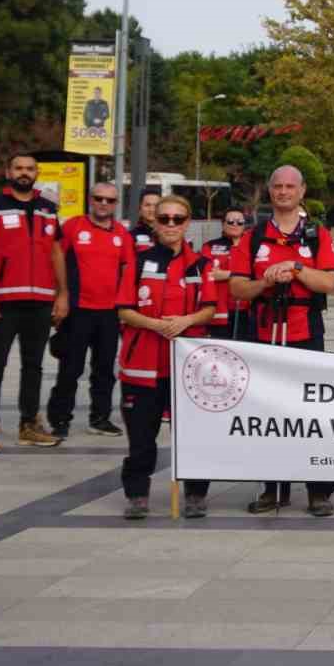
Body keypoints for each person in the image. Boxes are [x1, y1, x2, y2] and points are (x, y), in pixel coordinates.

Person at [229, 165, 334, 516]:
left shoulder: (316, 234)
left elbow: (328, 283)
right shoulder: (254, 236)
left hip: (306, 333)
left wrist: (295, 268)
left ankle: (317, 490)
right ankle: (272, 488)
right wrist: (265, 282)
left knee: (309, 413)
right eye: (277, 186)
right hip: (264, 333)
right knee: (269, 414)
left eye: (290, 186)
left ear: (302, 191)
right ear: (270, 190)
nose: (283, 192)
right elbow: (236, 287)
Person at [115, 194, 214, 518]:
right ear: (154, 223)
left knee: (193, 436)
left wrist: (186, 321)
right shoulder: (139, 261)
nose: (171, 224)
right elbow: (125, 310)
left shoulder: (200, 264)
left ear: (187, 223)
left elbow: (210, 308)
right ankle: (137, 495)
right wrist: (156, 325)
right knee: (142, 439)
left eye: (178, 219)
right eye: (165, 219)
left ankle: (196, 494)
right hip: (142, 366)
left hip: (186, 368)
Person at [0, 153, 66, 452]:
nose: (24, 173)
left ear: (37, 172)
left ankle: (29, 425)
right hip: (4, 300)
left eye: (29, 168)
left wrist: (62, 294)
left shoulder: (48, 208)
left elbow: (56, 253)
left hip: (39, 301)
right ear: (9, 171)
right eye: (18, 168)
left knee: (34, 365)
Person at [48, 181, 131, 438]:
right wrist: (59, 298)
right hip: (78, 310)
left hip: (109, 313)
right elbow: (55, 261)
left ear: (116, 204)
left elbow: (128, 270)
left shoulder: (122, 235)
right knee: (70, 368)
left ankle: (100, 418)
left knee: (105, 370)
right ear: (90, 199)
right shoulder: (73, 227)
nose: (103, 204)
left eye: (109, 200)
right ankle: (60, 420)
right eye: (99, 198)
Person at [201, 208, 251, 340]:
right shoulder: (209, 246)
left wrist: (229, 274)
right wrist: (241, 275)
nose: (235, 225)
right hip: (219, 311)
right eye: (230, 221)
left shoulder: (252, 247)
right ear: (223, 224)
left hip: (246, 310)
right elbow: (209, 273)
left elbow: (257, 274)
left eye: (240, 222)